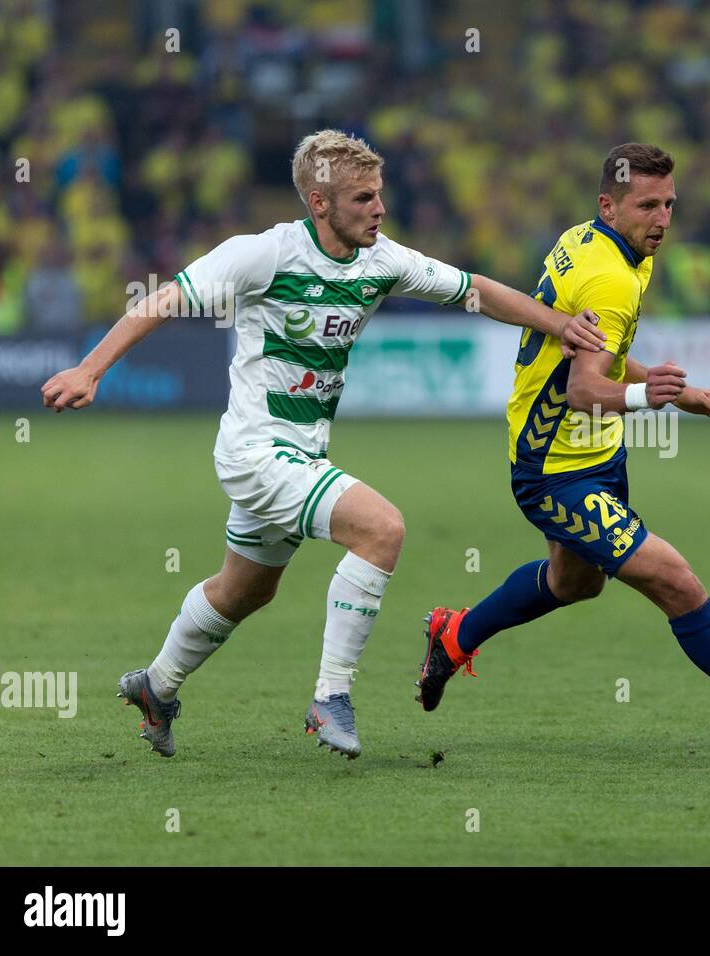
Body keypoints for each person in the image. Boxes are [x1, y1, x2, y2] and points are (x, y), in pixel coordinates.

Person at [40, 129, 605, 760]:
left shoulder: (382, 260)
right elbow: (166, 298)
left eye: (379, 195)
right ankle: (330, 695)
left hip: (302, 453)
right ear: (319, 202)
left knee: (244, 591)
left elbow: (475, 289)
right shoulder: (264, 254)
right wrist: (91, 368)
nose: (378, 209)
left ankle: (157, 685)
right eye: (363, 198)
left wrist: (558, 325)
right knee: (381, 529)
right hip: (256, 450)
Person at [415, 143, 710, 769]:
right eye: (647, 205)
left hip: (594, 456)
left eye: (669, 204)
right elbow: (583, 390)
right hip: (556, 472)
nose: (662, 219)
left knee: (574, 584)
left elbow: (597, 360)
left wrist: (682, 396)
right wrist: (644, 397)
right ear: (610, 204)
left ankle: (455, 634)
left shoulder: (601, 246)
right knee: (678, 584)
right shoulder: (612, 277)